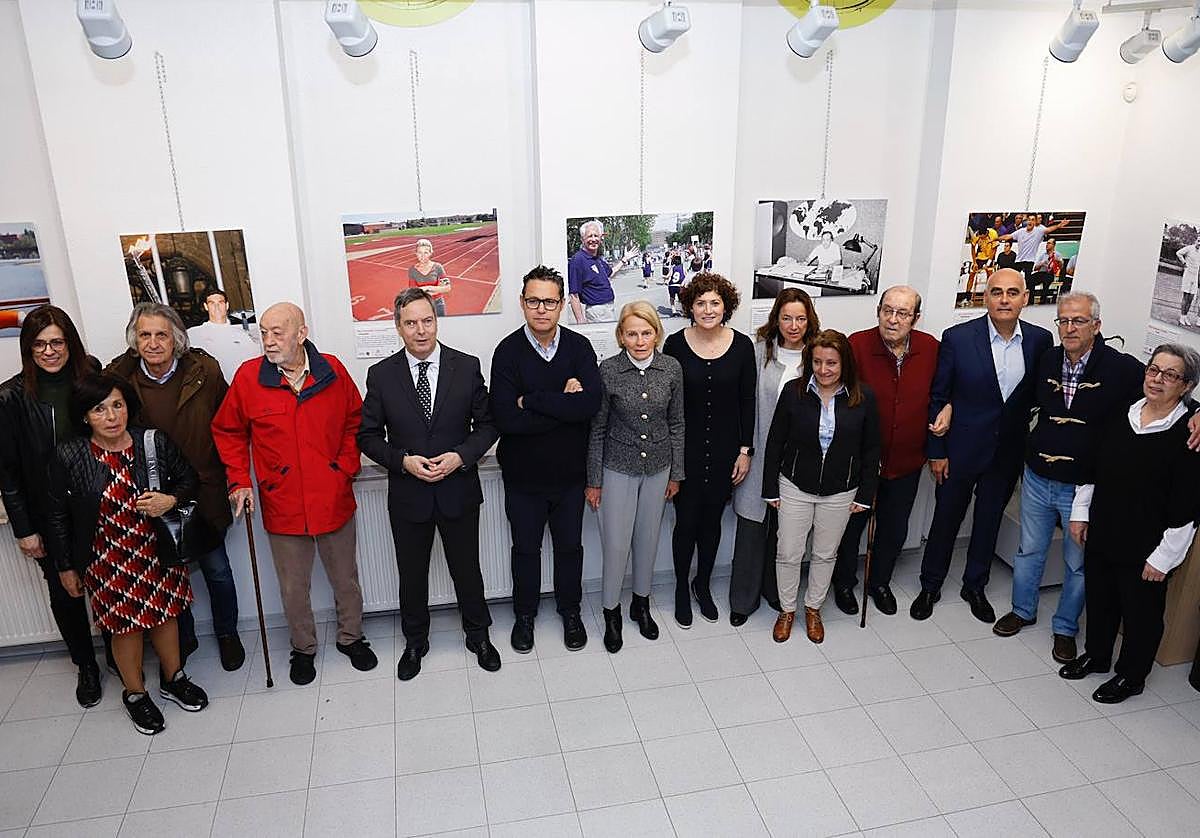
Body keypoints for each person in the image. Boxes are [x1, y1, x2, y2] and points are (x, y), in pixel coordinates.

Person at [995, 294, 1200, 662]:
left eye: (1078, 321)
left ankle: (1065, 629)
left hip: (1081, 485)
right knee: (1029, 551)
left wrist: (1199, 410)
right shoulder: (1047, 358)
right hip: (1039, 476)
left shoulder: (1121, 368)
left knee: (1079, 564)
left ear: (1096, 326)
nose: (1069, 328)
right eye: (1063, 321)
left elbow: (1165, 386)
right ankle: (1022, 611)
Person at [211, 302, 376, 685]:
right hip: (281, 500)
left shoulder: (332, 369)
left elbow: (356, 419)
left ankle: (351, 638)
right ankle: (303, 649)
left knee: (345, 578)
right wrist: (240, 480)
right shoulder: (249, 377)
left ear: (301, 333)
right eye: (264, 332)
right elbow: (229, 432)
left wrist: (345, 467)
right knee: (293, 586)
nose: (268, 341)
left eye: (277, 332)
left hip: (333, 495)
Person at [46, 373, 209, 735]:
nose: (111, 416)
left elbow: (189, 480)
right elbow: (56, 514)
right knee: (125, 629)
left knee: (167, 617)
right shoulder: (70, 454)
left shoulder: (152, 442)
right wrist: (65, 567)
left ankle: (173, 678)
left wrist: (171, 499)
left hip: (157, 551)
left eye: (117, 405)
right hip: (106, 560)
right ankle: (135, 694)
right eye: (99, 409)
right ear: (85, 416)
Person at [358, 288, 501, 680]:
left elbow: (488, 425)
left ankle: (479, 636)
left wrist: (460, 456)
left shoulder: (466, 366)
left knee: (467, 570)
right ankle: (415, 642)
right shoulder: (381, 375)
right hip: (409, 495)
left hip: (458, 490)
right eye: (411, 323)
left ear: (437, 321)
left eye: (428, 321)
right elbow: (367, 436)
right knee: (412, 573)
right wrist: (402, 462)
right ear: (398, 327)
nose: (421, 331)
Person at [107, 303, 244, 671]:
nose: (153, 343)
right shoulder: (118, 377)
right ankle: (182, 638)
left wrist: (235, 475)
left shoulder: (205, 370)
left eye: (161, 334)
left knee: (217, 570)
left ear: (177, 339)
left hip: (204, 490)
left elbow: (230, 424)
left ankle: (228, 634)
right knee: (169, 574)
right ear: (135, 340)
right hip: (151, 499)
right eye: (145, 334)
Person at [911, 269, 1054, 623]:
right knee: (946, 519)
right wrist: (937, 451)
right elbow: (939, 396)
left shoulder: (1039, 341)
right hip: (959, 450)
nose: (1004, 299)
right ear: (984, 297)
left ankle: (974, 585)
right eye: (996, 292)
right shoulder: (958, 338)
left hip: (1006, 453)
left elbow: (1038, 395)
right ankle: (930, 585)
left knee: (989, 521)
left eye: (1012, 292)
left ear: (1025, 298)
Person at [1060, 345, 1200, 703]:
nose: (1157, 379)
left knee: (1141, 615)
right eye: (1154, 370)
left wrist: (1164, 559)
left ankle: (1132, 676)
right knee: (1101, 599)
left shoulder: (1189, 433)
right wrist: (1080, 514)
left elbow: (1188, 505)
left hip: (1148, 545)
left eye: (1170, 375)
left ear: (1186, 386)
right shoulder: (1123, 413)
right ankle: (1097, 655)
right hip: (1104, 528)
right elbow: (1092, 468)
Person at [489, 266, 601, 654]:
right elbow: (507, 420)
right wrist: (562, 401)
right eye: (533, 301)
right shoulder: (506, 352)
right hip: (523, 477)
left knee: (570, 548)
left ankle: (571, 612)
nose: (541, 309)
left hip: (570, 476)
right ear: (522, 303)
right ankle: (525, 616)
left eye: (550, 301)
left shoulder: (579, 348)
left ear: (561, 305)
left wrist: (533, 399)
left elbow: (589, 405)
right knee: (525, 549)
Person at [0, 306, 105, 706]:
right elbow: (7, 471)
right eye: (39, 344)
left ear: (70, 343)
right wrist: (23, 528)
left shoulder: (90, 376)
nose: (48, 351)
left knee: (107, 587)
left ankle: (117, 655)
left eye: (56, 342)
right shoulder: (10, 397)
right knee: (66, 595)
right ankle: (86, 667)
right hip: (48, 515)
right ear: (28, 349)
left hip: (97, 507)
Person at [762, 330, 880, 644]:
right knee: (788, 552)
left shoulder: (863, 397)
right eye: (816, 362)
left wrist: (866, 494)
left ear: (845, 364)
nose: (823, 369)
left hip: (841, 491)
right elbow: (775, 443)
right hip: (794, 486)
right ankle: (787, 610)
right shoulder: (793, 391)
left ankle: (813, 608)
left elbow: (871, 450)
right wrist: (770, 488)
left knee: (825, 554)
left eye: (831, 363)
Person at [832, 286, 944, 617]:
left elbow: (942, 393)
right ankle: (843, 583)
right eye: (887, 311)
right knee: (852, 527)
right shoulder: (858, 344)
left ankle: (879, 581)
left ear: (916, 318)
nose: (892, 320)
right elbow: (841, 398)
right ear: (878, 311)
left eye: (902, 313)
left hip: (907, 459)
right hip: (861, 462)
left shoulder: (930, 348)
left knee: (895, 527)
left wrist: (948, 407)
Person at [587, 302, 684, 653]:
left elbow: (677, 424)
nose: (640, 340)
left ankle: (640, 605)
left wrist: (676, 474)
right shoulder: (608, 370)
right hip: (617, 469)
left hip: (659, 469)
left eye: (646, 332)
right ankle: (611, 612)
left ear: (657, 334)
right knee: (616, 545)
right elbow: (597, 429)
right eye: (632, 333)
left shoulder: (671, 368)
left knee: (648, 540)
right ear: (621, 337)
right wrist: (594, 480)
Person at [664, 274, 755, 628]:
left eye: (715, 302)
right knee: (685, 523)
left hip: (724, 452)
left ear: (726, 306)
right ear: (690, 306)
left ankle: (702, 585)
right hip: (683, 452)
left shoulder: (743, 345)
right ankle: (680, 589)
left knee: (712, 523)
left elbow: (748, 402)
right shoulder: (674, 344)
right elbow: (666, 403)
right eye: (700, 303)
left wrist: (745, 450)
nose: (707, 309)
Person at [729, 288, 819, 625]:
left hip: (798, 460)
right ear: (775, 319)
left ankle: (776, 592)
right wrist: (744, 450)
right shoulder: (759, 352)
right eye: (786, 318)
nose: (793, 325)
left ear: (808, 319)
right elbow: (746, 406)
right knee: (752, 528)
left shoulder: (818, 355)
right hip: (759, 452)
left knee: (787, 533)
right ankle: (742, 601)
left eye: (800, 318)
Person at [186, 289, 261, 382]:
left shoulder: (242, 334)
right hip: (214, 388)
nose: (216, 307)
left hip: (240, 386)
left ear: (227, 305)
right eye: (212, 303)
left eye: (220, 302)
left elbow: (256, 359)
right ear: (206, 306)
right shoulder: (193, 334)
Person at [568, 220, 634, 324]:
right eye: (590, 236)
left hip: (608, 308)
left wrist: (624, 260)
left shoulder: (597, 258)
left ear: (600, 238)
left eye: (596, 236)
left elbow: (610, 273)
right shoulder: (578, 260)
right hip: (597, 311)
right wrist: (580, 321)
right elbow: (573, 295)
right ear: (582, 239)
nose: (593, 239)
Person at [998, 214, 1068, 281]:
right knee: (1014, 279)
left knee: (1028, 281)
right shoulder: (1021, 231)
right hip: (1019, 260)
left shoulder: (1039, 230)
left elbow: (1049, 230)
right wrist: (996, 238)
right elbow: (1008, 236)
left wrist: (1058, 226)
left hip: (1030, 261)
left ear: (1035, 222)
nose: (1030, 221)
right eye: (1029, 219)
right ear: (1026, 221)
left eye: (1032, 220)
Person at [408, 238, 451, 316]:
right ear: (416, 253)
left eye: (426, 253)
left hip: (438, 304)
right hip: (421, 305)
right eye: (420, 252)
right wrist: (437, 289)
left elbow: (447, 288)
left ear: (431, 253)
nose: (422, 256)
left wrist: (426, 288)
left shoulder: (438, 267)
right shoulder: (412, 270)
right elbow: (413, 292)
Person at [1177, 239, 1200, 327]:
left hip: (1195, 277)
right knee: (1186, 297)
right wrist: (1184, 262)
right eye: (1199, 241)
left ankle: (1185, 316)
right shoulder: (1189, 248)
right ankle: (1182, 317)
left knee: (1191, 298)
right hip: (1187, 275)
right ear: (1195, 241)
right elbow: (1178, 253)